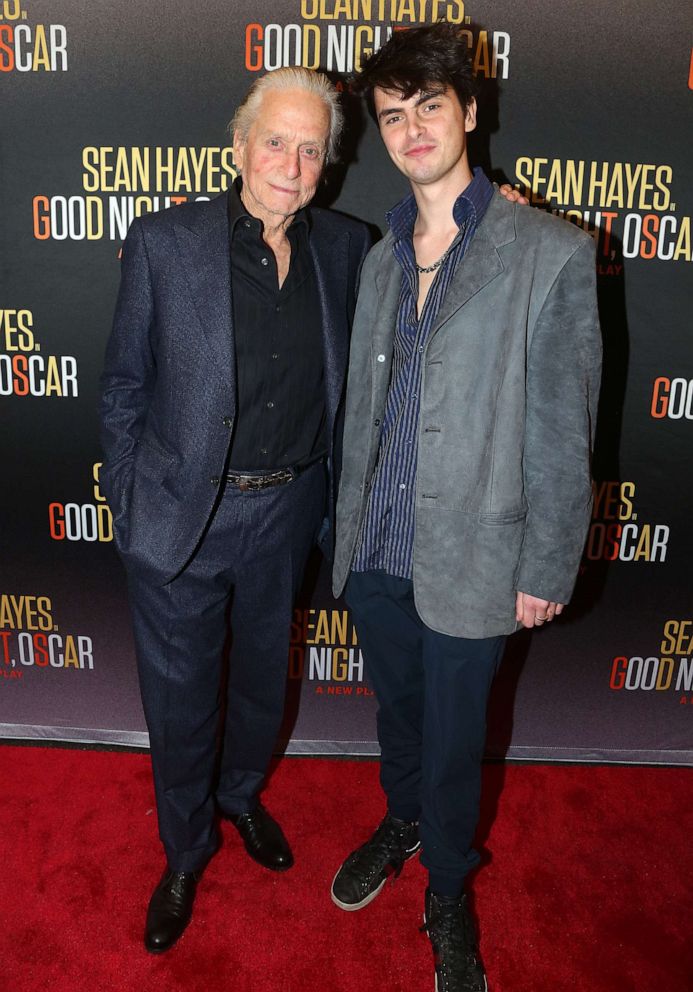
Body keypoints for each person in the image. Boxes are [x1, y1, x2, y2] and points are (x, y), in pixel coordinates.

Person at [331, 23, 602, 992]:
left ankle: (448, 887)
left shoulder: (549, 251)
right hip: (378, 546)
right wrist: (345, 535)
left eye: (430, 108)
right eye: (393, 114)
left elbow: (564, 427)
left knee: (453, 742)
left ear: (471, 112)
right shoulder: (379, 257)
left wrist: (546, 564)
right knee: (399, 720)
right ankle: (402, 819)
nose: (411, 131)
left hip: (476, 555)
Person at [99, 66, 372, 953]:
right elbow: (123, 388)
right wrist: (134, 503)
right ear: (238, 145)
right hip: (184, 518)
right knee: (180, 702)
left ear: (326, 164)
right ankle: (184, 850)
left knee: (260, 685)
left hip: (288, 512)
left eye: (310, 148)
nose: (290, 163)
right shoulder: (163, 243)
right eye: (274, 141)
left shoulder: (344, 245)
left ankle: (240, 798)